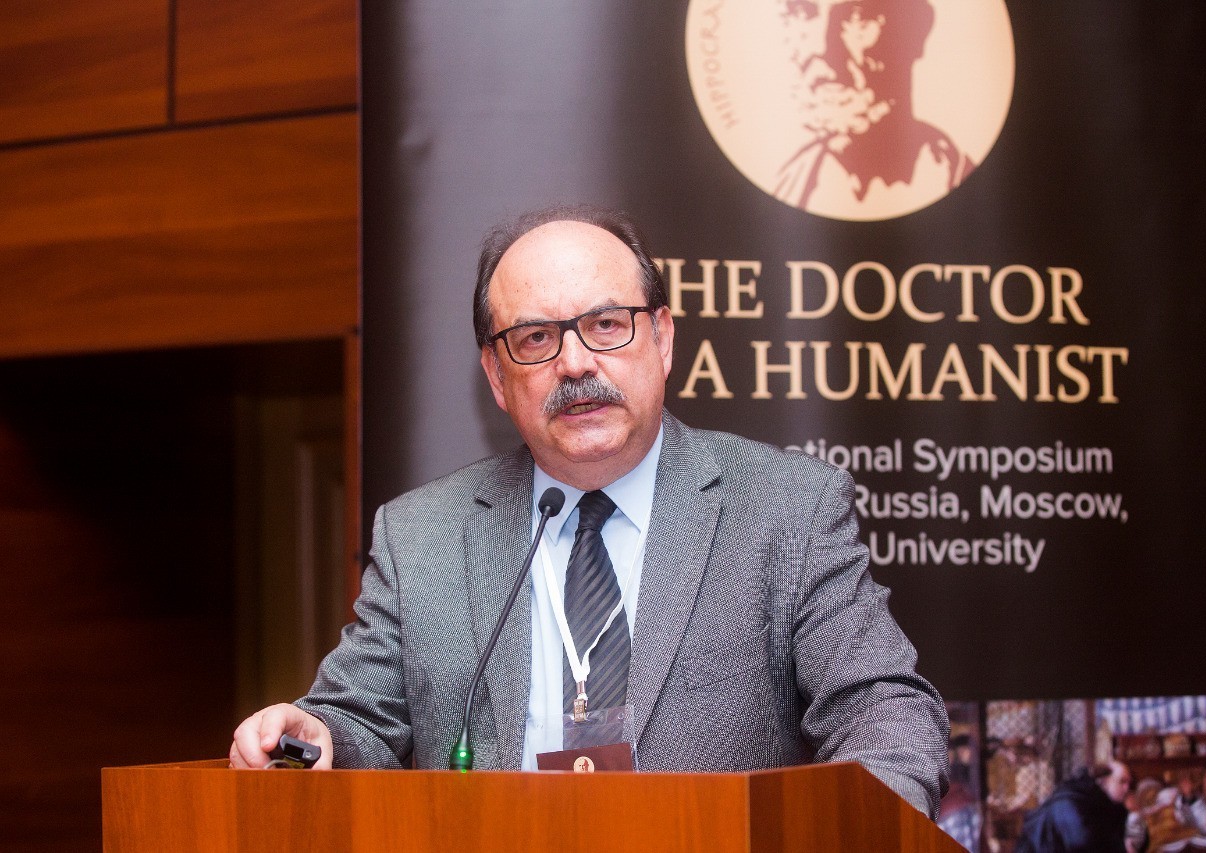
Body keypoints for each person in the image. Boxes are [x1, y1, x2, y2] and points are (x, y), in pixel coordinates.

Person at [229, 204, 949, 816]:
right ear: (497, 376)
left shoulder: (785, 508)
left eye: (606, 324)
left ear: (662, 338)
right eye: (536, 338)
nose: (574, 363)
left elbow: (884, 711)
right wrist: (311, 736)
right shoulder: (422, 536)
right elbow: (359, 720)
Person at [774, 0, 974, 213]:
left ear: (914, 35)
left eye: (856, 17)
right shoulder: (792, 182)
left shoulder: (952, 172)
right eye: (802, 14)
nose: (823, 49)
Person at [1016, 761, 1132, 852]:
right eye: (1122, 782)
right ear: (1104, 781)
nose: (1126, 788)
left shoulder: (1108, 806)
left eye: (1129, 783)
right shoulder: (1072, 800)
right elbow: (1081, 843)